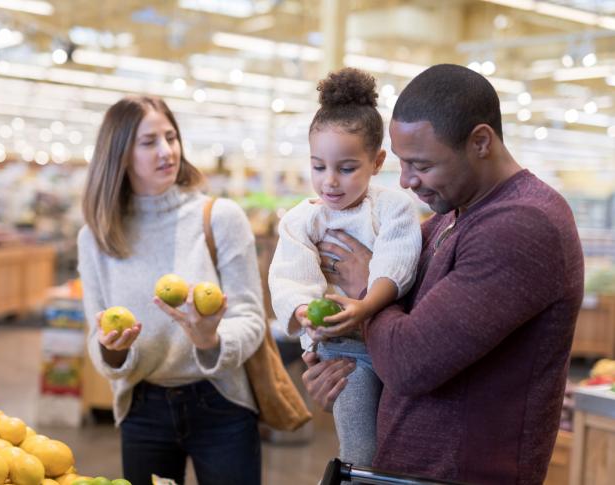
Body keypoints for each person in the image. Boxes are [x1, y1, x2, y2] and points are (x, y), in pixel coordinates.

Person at [304, 63, 584, 484]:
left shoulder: (522, 225)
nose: (405, 181)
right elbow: (397, 344)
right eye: (400, 163)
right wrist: (348, 374)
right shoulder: (451, 216)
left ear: (481, 142)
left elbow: (411, 362)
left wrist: (365, 286)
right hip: (408, 470)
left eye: (421, 164)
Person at [77, 95, 266, 485]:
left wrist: (210, 338)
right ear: (120, 154)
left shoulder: (220, 218)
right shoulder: (96, 237)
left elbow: (251, 317)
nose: (167, 151)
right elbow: (97, 337)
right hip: (142, 408)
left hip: (221, 401)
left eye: (171, 137)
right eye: (149, 142)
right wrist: (114, 351)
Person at [268, 67, 421, 471]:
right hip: (342, 352)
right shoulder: (302, 219)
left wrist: (367, 304)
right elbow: (289, 276)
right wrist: (302, 312)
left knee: (403, 443)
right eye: (319, 167)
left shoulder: (393, 207)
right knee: (360, 449)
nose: (330, 182)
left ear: (377, 161)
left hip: (388, 340)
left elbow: (398, 262)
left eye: (347, 168)